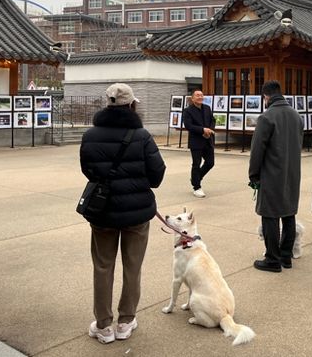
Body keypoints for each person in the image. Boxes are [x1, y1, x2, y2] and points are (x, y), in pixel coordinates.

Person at [80, 83, 166, 344]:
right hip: (136, 212)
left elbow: (88, 170)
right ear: (132, 105)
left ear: (107, 103)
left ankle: (104, 325)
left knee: (102, 266)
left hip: (103, 210)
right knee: (133, 266)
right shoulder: (142, 136)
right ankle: (126, 321)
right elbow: (157, 174)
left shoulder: (90, 135)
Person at [249, 81, 303, 272]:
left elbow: (257, 150)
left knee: (270, 215)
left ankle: (272, 258)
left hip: (272, 173)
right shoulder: (296, 116)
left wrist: (253, 175)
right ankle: (286, 256)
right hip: (292, 172)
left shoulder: (266, 117)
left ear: (266, 96)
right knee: (289, 213)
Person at [182, 89, 215, 198]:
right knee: (196, 164)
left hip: (208, 139)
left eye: (201, 95)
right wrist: (202, 130)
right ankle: (197, 187)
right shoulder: (188, 111)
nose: (200, 97)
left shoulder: (207, 108)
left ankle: (196, 178)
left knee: (210, 163)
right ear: (192, 98)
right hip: (196, 141)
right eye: (197, 95)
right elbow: (188, 125)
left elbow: (212, 120)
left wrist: (209, 130)